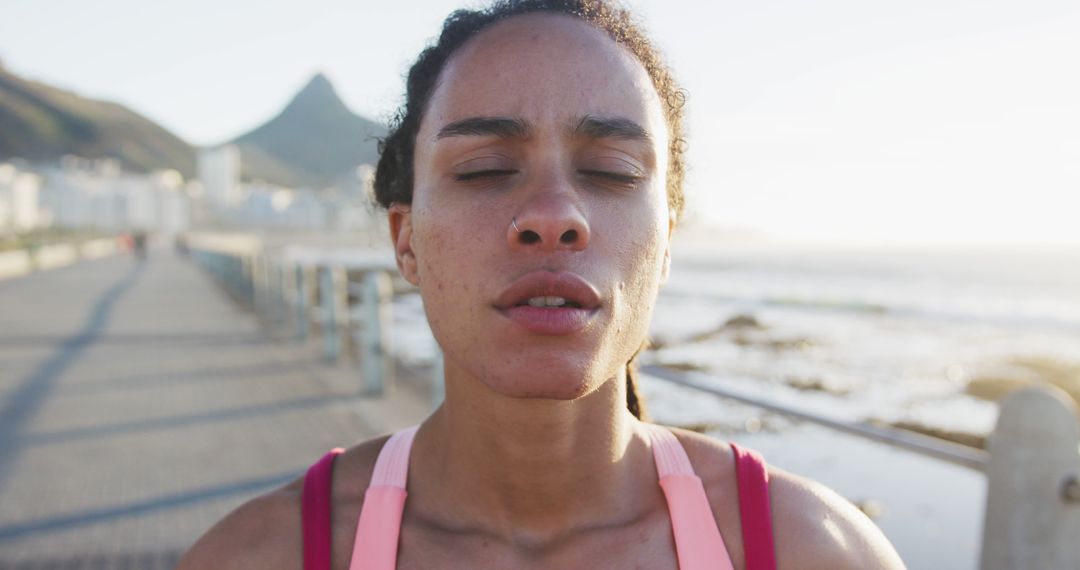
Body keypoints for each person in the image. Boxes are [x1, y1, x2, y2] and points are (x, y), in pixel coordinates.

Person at [180, 1, 906, 568]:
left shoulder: (816, 553)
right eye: (485, 170)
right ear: (406, 240)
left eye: (612, 171)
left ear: (666, 243)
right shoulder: (261, 557)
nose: (554, 216)